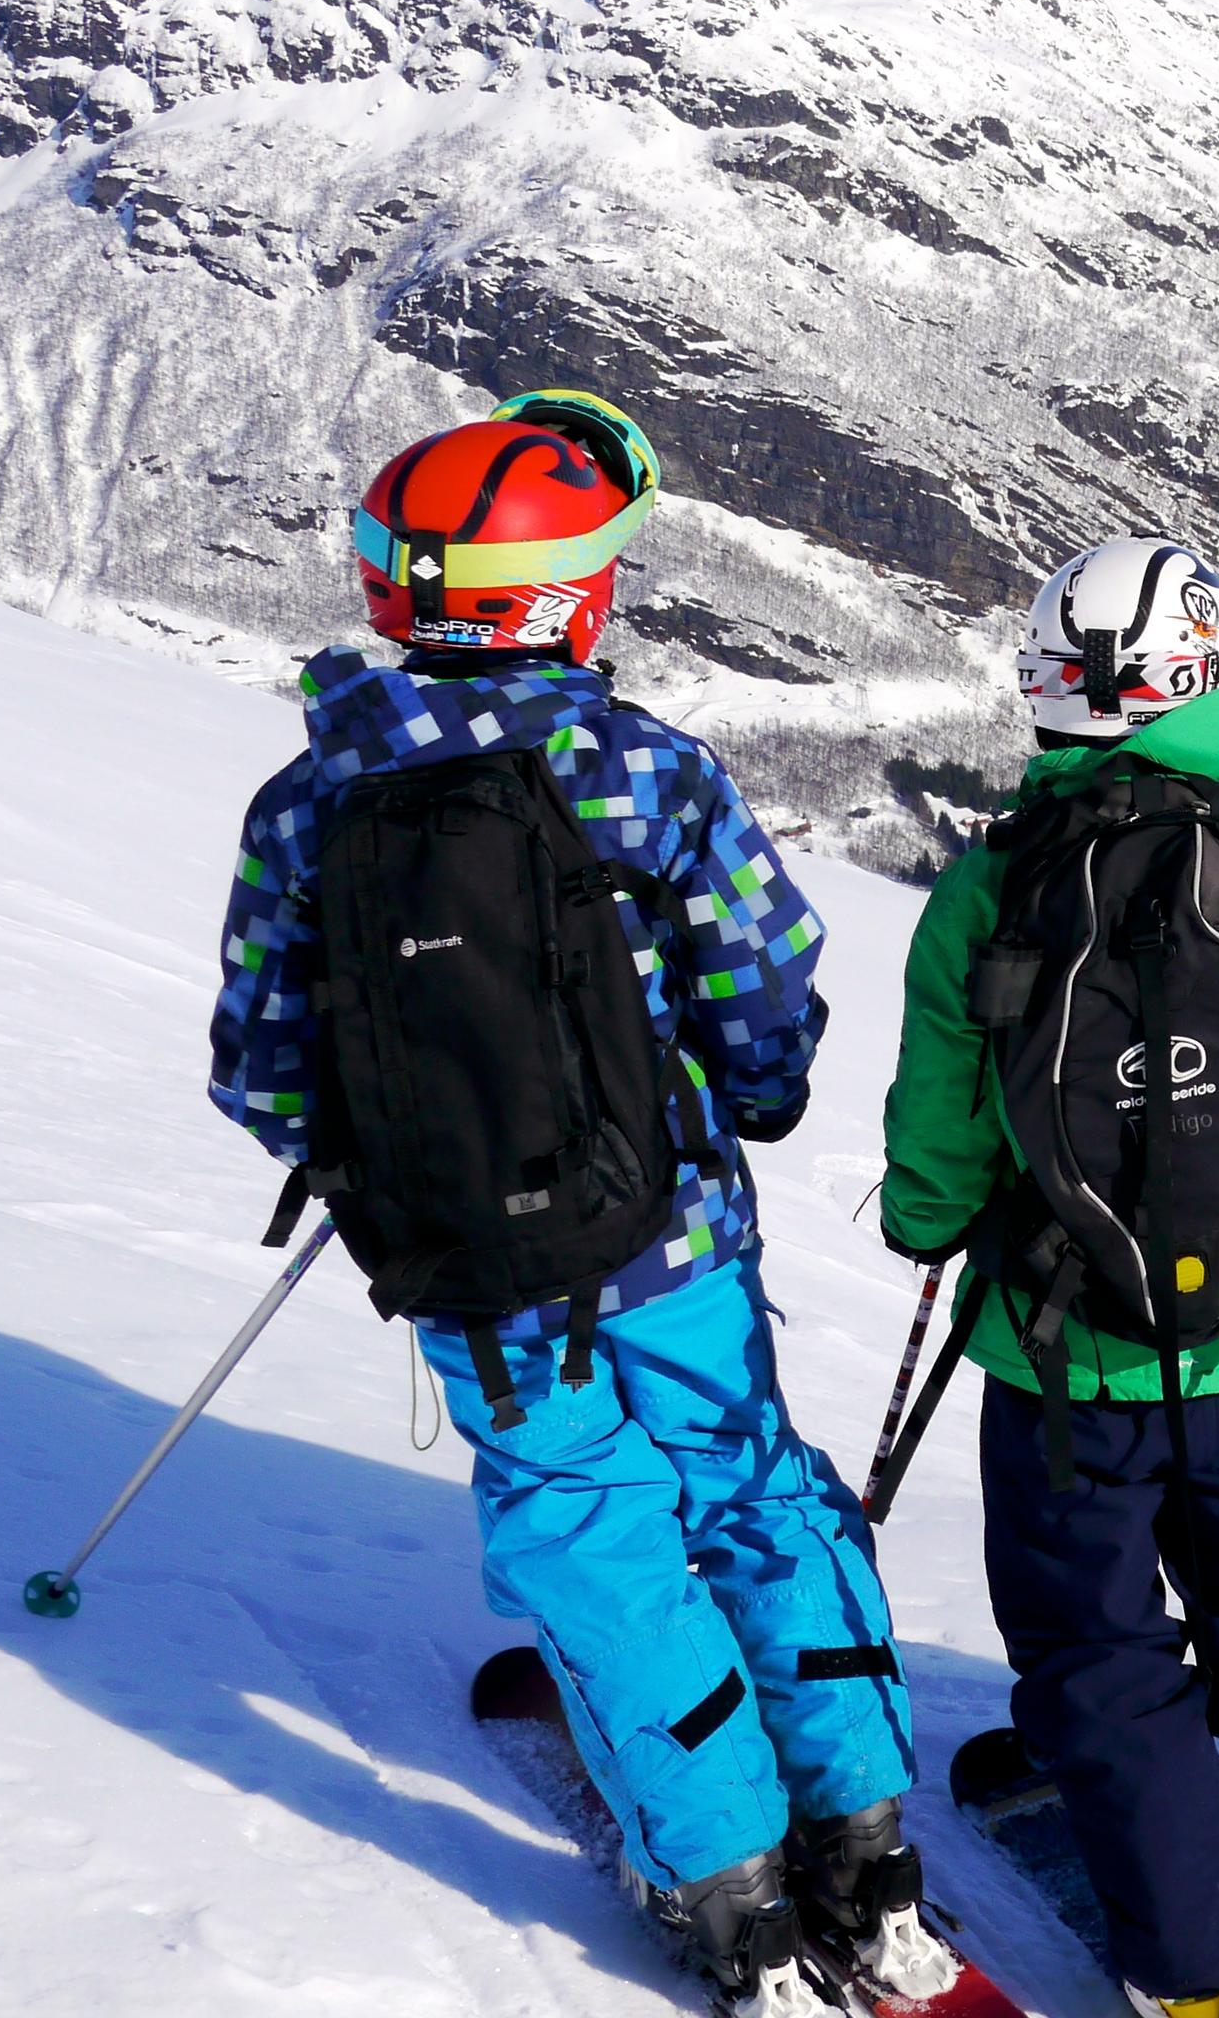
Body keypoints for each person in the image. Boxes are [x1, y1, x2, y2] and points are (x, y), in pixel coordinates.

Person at [209, 392, 940, 2018]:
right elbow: (769, 991)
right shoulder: (648, 771)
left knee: (590, 1535)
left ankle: (726, 1884)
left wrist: (387, 1155)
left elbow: (258, 1066)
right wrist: (745, 1102)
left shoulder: (308, 804)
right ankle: (865, 1844)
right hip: (675, 1234)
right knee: (752, 1492)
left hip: (480, 1273)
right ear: (567, 596)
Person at [881, 538, 1219, 2018]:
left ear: (1052, 689)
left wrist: (930, 1226)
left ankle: (1195, 1981)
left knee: (1101, 1656)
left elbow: (936, 1117)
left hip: (1064, 1360)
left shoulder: (998, 880)